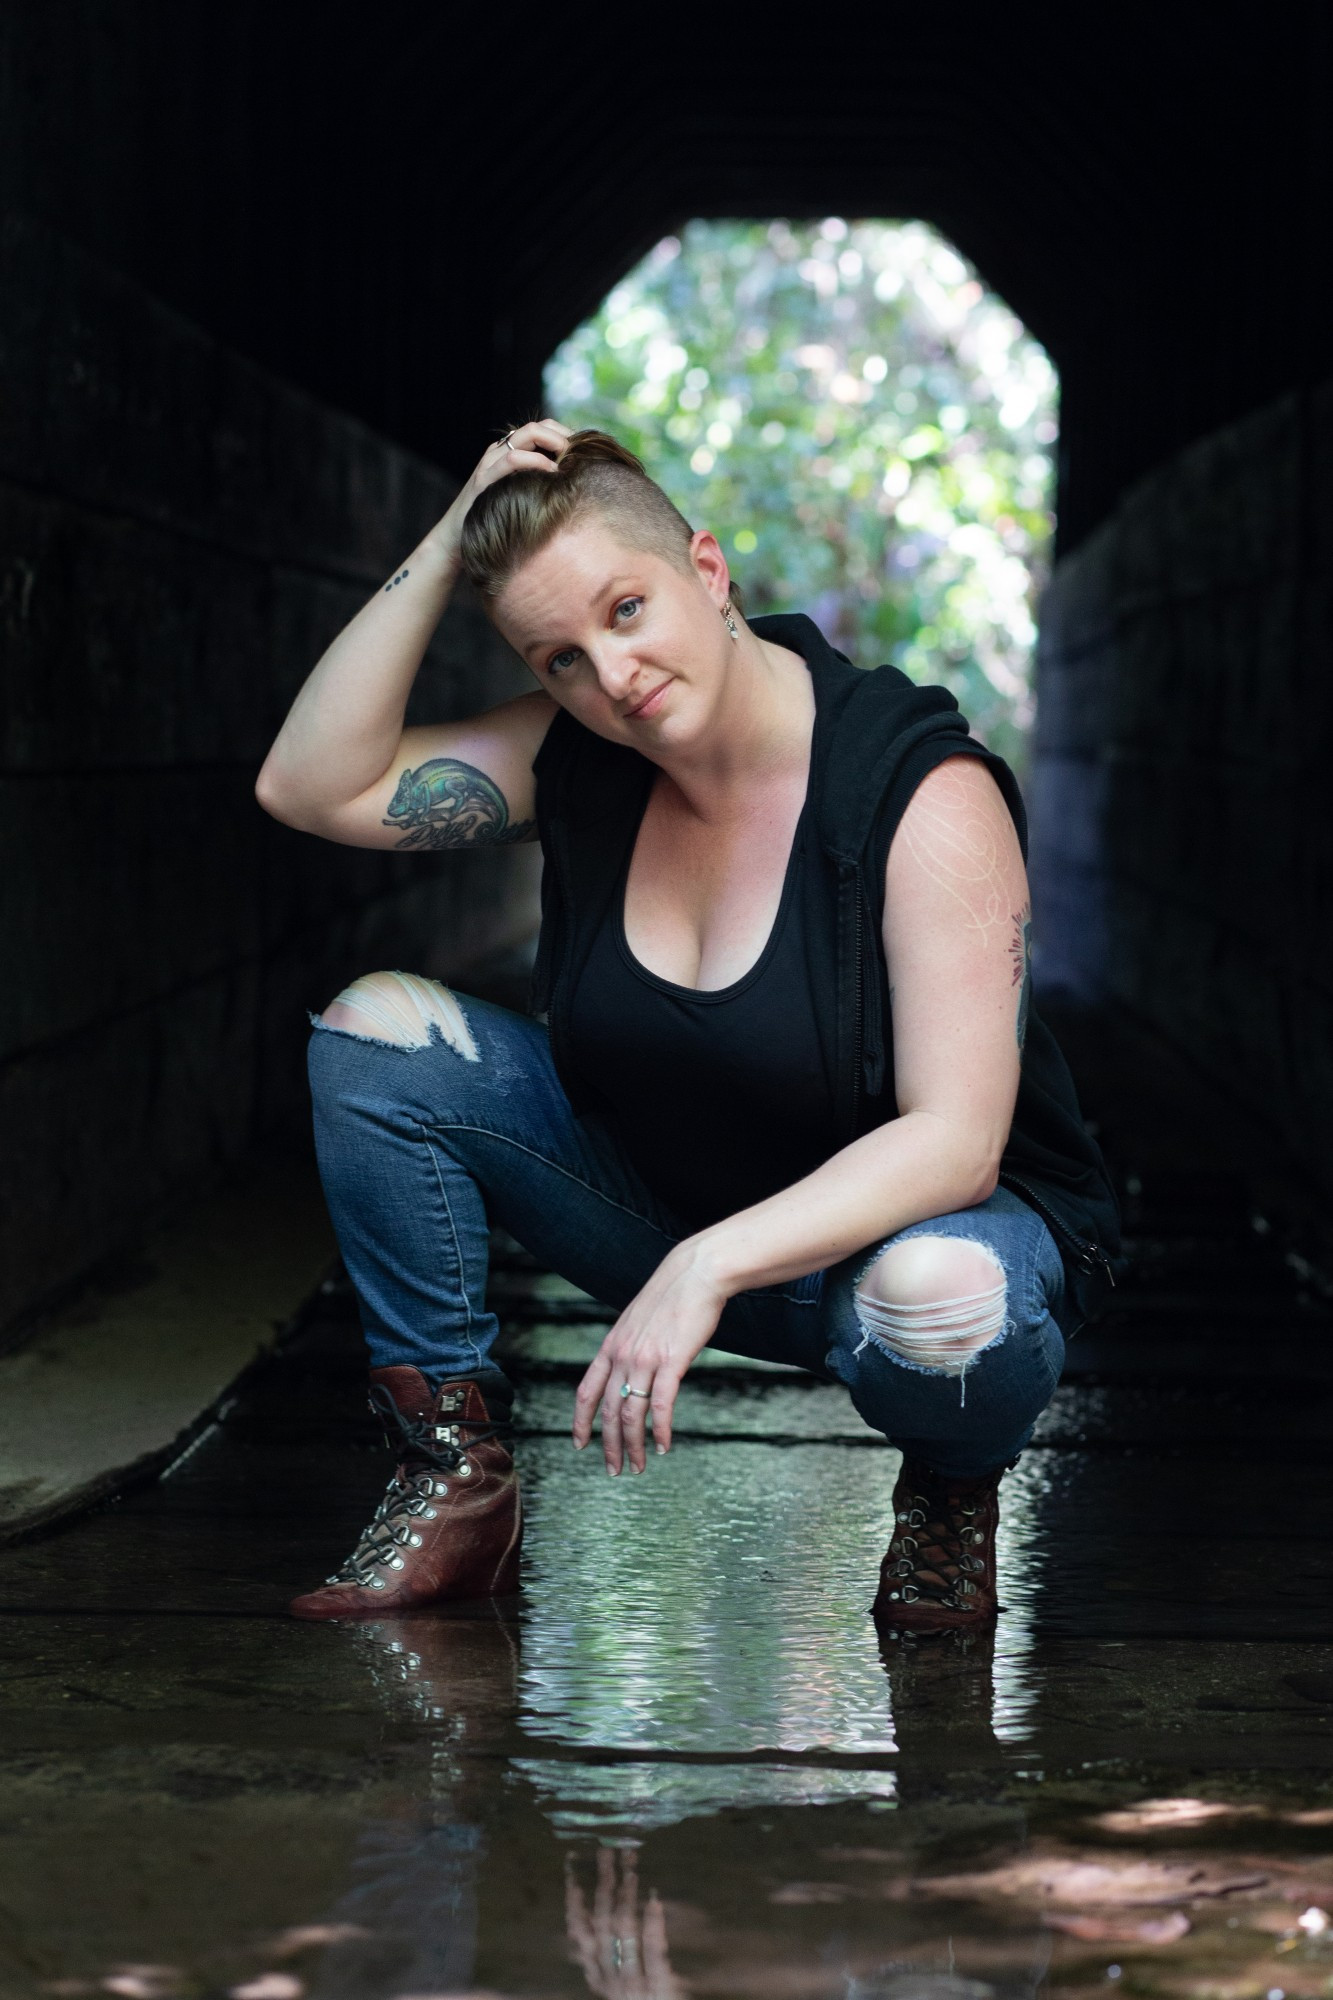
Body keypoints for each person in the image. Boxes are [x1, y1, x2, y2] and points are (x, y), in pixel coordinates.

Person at [255, 418, 1121, 1633]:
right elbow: (311, 785)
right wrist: (452, 540)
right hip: (663, 1202)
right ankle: (451, 1479)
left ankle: (951, 1488)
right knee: (372, 1039)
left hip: (901, 1247)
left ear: (707, 572)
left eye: (625, 609)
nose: (609, 677)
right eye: (556, 656)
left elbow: (958, 1140)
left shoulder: (920, 791)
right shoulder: (587, 759)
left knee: (937, 1300)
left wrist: (703, 1266)